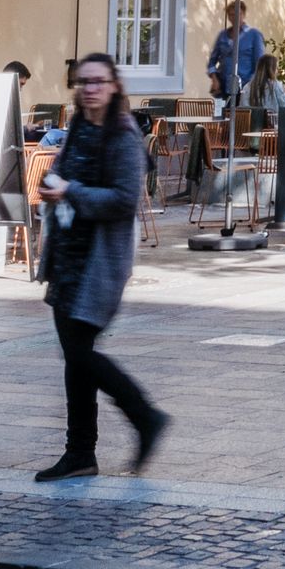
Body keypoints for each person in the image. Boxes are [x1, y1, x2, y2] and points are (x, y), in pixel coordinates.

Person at [34, 52, 169, 483]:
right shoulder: (75, 129)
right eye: (82, 81)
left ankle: (145, 416)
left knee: (79, 354)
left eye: (97, 81)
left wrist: (71, 192)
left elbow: (123, 200)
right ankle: (80, 453)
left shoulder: (123, 135)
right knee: (75, 360)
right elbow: (61, 173)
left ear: (113, 86)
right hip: (66, 258)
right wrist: (54, 185)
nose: (89, 88)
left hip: (99, 261)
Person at [206, 2, 265, 115]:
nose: (234, 18)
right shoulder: (222, 35)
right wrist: (214, 79)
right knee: (221, 119)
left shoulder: (254, 35)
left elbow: (259, 64)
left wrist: (251, 86)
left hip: (244, 88)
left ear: (243, 14)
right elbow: (212, 62)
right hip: (223, 88)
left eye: (238, 14)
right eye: (231, 15)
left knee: (240, 121)